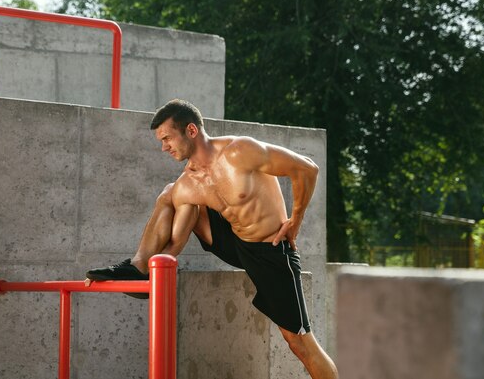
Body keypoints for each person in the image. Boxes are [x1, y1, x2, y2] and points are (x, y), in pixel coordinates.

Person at [86, 99, 338, 378]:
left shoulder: (240, 151)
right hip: (233, 243)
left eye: (168, 138)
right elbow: (175, 243)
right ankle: (136, 266)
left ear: (191, 130)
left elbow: (307, 169)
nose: (164, 147)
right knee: (171, 192)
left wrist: (295, 221)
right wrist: (141, 276)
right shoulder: (189, 182)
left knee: (299, 343)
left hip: (270, 249)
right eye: (161, 141)